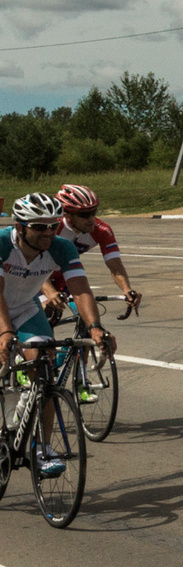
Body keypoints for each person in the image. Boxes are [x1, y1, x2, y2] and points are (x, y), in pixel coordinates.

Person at [1, 193, 112, 477]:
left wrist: (95, 328)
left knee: (45, 369)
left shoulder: (61, 247)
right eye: (39, 227)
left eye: (52, 226)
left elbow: (80, 288)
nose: (48, 233)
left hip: (26, 308)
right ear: (19, 226)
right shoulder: (2, 243)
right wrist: (5, 332)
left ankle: (42, 449)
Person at [45, 185, 136, 400]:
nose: (91, 220)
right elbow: (35, 267)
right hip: (40, 279)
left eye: (94, 212)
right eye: (84, 215)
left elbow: (114, 264)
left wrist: (127, 290)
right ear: (67, 214)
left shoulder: (101, 230)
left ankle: (80, 382)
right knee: (43, 316)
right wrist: (49, 293)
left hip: (68, 278)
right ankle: (29, 361)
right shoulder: (51, 229)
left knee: (88, 322)